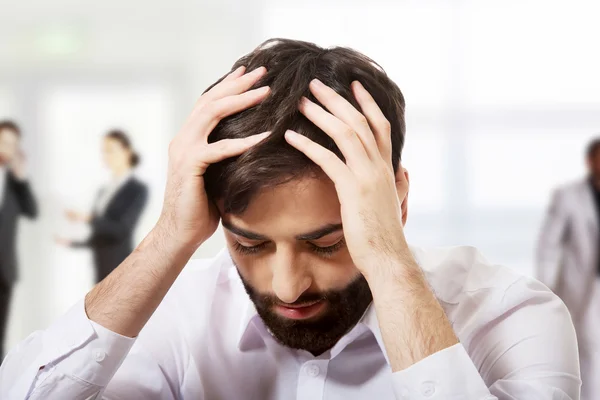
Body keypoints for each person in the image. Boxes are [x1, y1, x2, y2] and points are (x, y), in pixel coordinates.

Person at [0, 39, 580, 399]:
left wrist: (388, 262)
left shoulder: (510, 316)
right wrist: (168, 239)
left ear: (395, 200)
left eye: (328, 243)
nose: (286, 286)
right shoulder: (176, 315)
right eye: (250, 244)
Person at [536, 136, 600, 400]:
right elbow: (547, 247)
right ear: (590, 161)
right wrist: (545, 290)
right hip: (582, 289)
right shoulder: (568, 197)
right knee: (587, 352)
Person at [56, 130, 148, 283]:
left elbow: (121, 230)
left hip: (120, 266)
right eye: (104, 151)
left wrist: (87, 218)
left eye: (110, 150)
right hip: (100, 267)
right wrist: (73, 243)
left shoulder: (137, 189)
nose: (106, 156)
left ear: (127, 152)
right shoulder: (102, 192)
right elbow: (100, 235)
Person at [0, 120, 37, 363]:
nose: (7, 148)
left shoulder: (15, 183)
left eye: (13, 144)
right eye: (4, 142)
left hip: (4, 269)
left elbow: (32, 211)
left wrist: (22, 178)